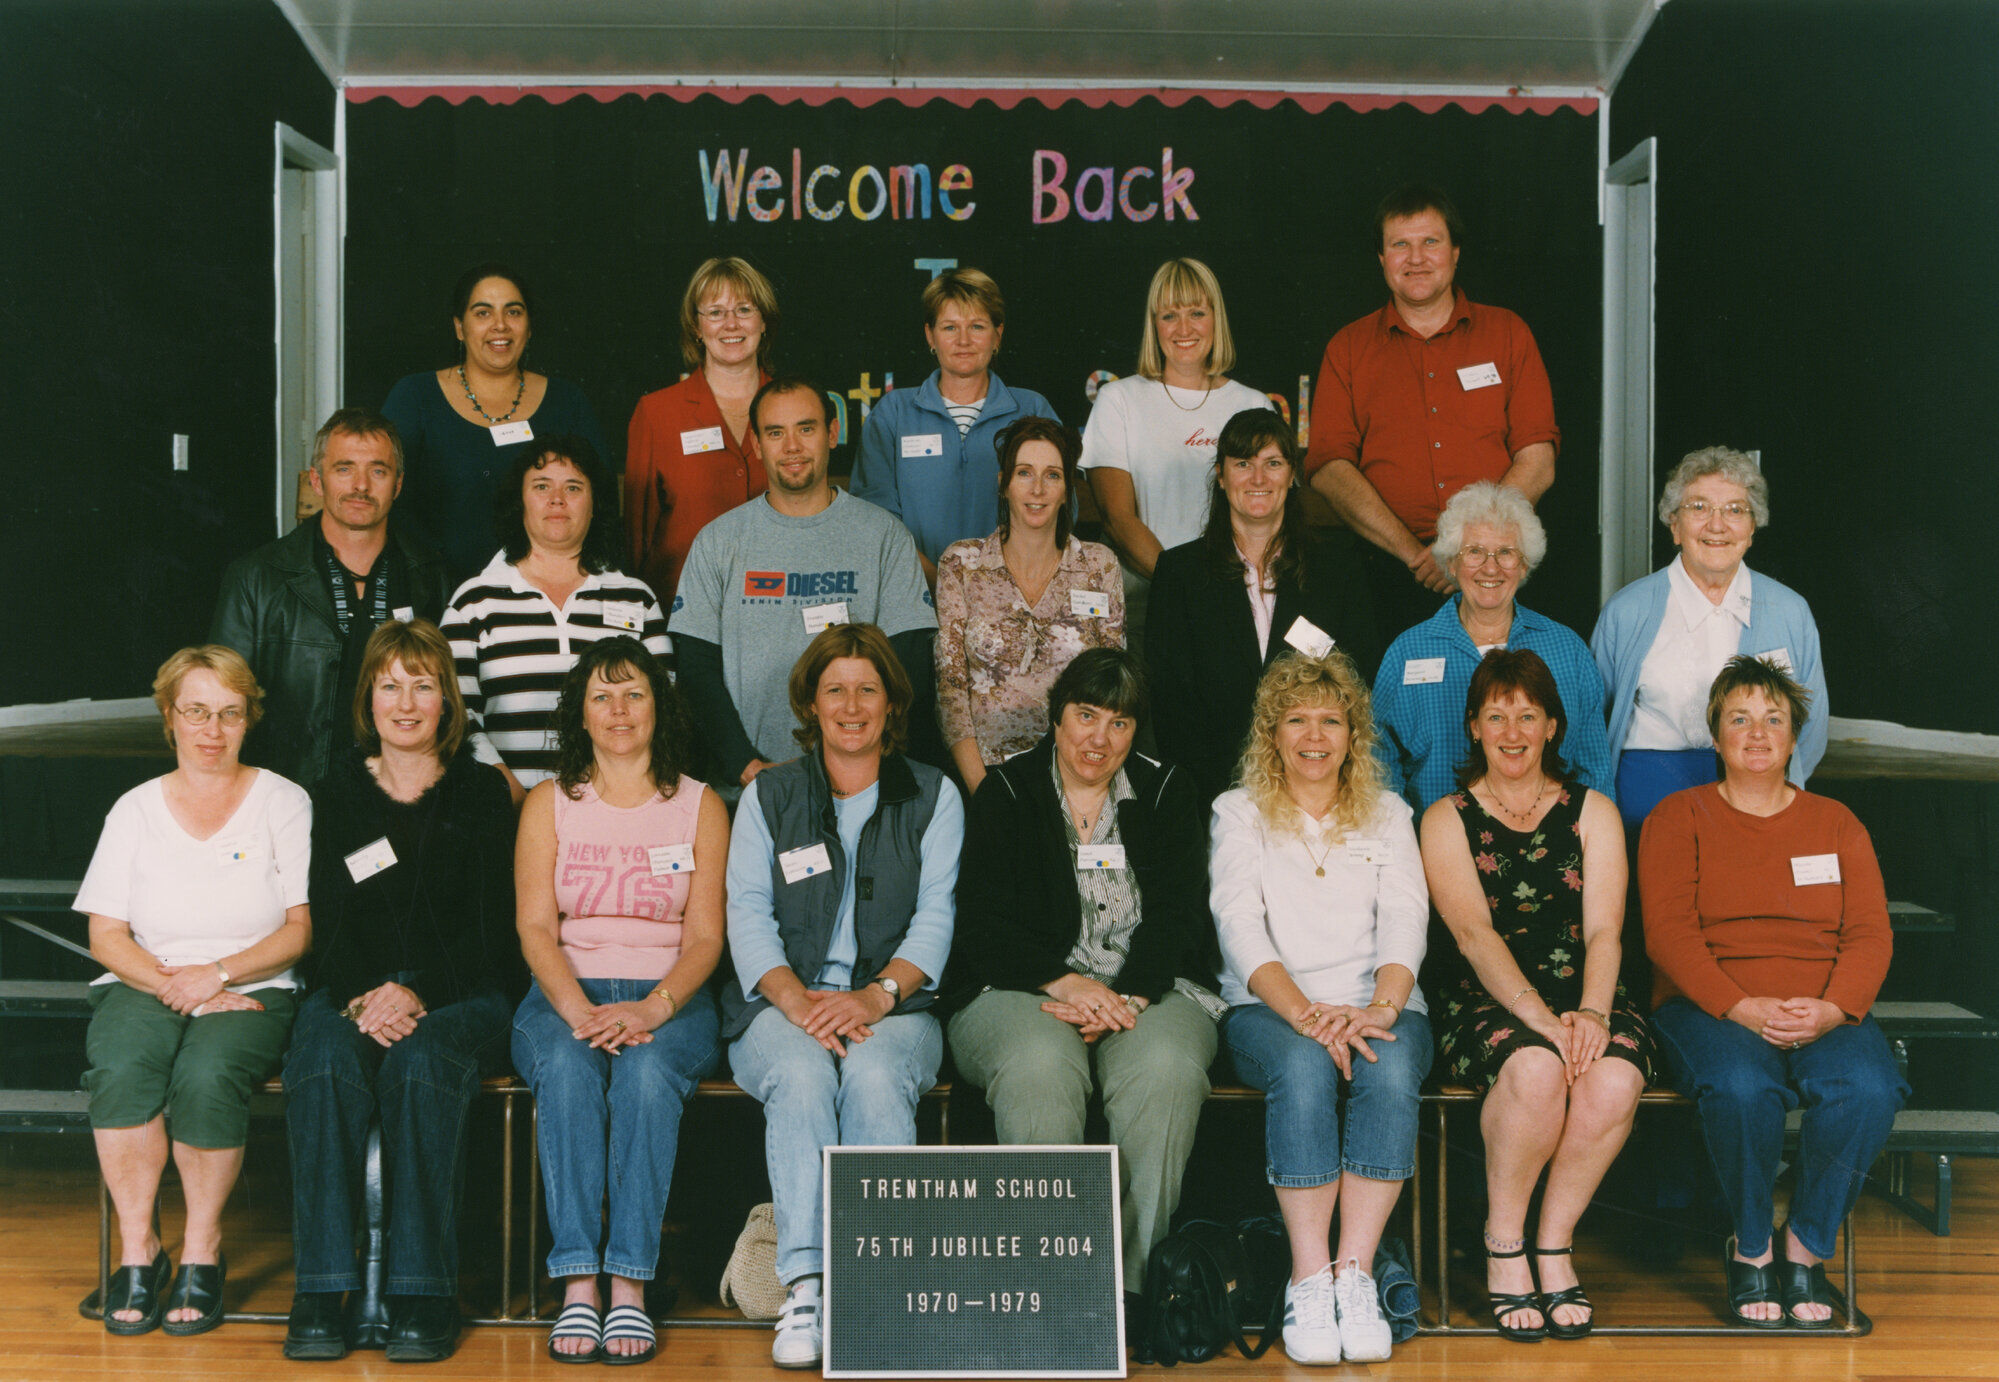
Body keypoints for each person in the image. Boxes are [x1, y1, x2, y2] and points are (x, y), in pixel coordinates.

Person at [947, 648, 1219, 1307]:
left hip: (1149, 990)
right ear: (1056, 716)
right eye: (1085, 715)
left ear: (1136, 730)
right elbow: (982, 924)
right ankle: (1051, 1290)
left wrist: (1126, 997)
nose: (1099, 738)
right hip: (1020, 991)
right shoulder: (1006, 792)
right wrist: (1065, 985)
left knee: (1166, 1070)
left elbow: (1179, 911)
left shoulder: (1165, 790)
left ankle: (1125, 1293)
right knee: (1040, 1067)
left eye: (1119, 723)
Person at [723, 624, 962, 1369]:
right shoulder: (770, 792)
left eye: (867, 689)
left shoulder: (934, 793)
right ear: (811, 703)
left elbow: (937, 914)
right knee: (798, 1073)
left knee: (870, 1072)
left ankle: (883, 1289)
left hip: (895, 1009)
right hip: (776, 1009)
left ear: (892, 704)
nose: (851, 705)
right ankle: (806, 1285)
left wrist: (876, 997)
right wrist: (798, 1003)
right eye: (835, 690)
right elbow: (744, 910)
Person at [282, 619, 519, 1363]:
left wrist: (417, 997)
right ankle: (323, 1288)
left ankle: (421, 1292)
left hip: (463, 995)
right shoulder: (337, 791)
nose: (406, 702)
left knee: (420, 1067)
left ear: (447, 699)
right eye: (390, 685)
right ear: (369, 698)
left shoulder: (483, 793)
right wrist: (363, 994)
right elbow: (328, 914)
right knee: (320, 1057)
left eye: (423, 685)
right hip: (356, 988)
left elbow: (496, 933)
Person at [1641, 656, 1902, 1330]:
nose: (1756, 733)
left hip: (1820, 1005)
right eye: (1739, 718)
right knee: (1738, 1087)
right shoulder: (1679, 815)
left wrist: (1833, 1008)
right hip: (1710, 1007)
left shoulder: (1835, 822)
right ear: (1716, 734)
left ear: (1793, 737)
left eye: (1772, 719)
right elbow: (1667, 932)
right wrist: (1738, 1006)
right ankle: (1750, 1244)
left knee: (1867, 1088)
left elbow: (1870, 932)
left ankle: (1805, 1247)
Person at [1419, 649, 1655, 1341]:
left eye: (1527, 715)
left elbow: (1606, 929)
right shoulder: (1445, 817)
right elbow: (1470, 933)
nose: (1511, 730)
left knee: (1612, 1080)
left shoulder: (1592, 812)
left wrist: (1590, 1012)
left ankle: (1552, 1245)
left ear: (1552, 724)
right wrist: (1539, 1019)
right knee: (1536, 1068)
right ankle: (1502, 1245)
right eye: (1496, 715)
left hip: (1587, 991)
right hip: (1487, 999)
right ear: (1472, 727)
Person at [75, 646, 311, 1337]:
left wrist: (218, 976)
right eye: (197, 712)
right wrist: (179, 986)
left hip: (253, 982)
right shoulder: (134, 810)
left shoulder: (283, 801)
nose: (213, 730)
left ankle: (203, 1251)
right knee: (123, 1068)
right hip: (144, 979)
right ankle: (139, 1251)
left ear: (249, 720)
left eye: (230, 714)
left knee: (207, 1076)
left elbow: (298, 930)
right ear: (169, 718)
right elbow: (107, 935)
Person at [1209, 652, 1430, 1365]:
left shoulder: (1389, 811)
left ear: (1352, 733)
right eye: (1295, 720)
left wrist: (1379, 1008)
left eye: (1330, 720)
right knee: (1303, 1071)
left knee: (1389, 1074)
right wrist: (1307, 1015)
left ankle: (1354, 1275)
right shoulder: (1237, 811)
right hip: (1271, 1009)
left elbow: (1405, 918)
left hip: (1380, 1004)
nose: (1313, 735)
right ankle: (1307, 1278)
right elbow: (1237, 924)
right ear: (1270, 734)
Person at [512, 637, 727, 1365]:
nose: (618, 710)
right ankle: (578, 1278)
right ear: (579, 712)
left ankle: (629, 1283)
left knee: (642, 1076)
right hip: (564, 991)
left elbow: (704, 937)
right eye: (601, 696)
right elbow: (535, 926)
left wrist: (654, 1009)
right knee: (570, 1072)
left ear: (659, 705)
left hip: (669, 994)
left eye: (634, 692)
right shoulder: (549, 802)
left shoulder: (699, 804)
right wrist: (576, 1011)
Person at [1304, 185, 1560, 636]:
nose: (1415, 258)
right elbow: (1328, 466)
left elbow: (1537, 460)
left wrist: (1471, 550)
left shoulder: (1508, 333)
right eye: (1400, 244)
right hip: (1383, 571)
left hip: (1494, 573)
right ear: (1382, 259)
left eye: (1431, 242)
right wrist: (1414, 553)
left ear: (1456, 252)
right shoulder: (1347, 348)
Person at [672, 378, 938, 791]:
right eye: (776, 433)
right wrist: (747, 767)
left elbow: (908, 668)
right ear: (757, 446)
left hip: (860, 784)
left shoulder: (884, 536)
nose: (792, 446)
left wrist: (859, 763)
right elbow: (695, 668)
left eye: (806, 428)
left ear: (832, 434)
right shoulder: (718, 541)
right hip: (749, 789)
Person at [1148, 409, 1382, 804]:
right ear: (1221, 477)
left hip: (1316, 784)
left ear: (1292, 476)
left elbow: (1358, 681)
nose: (1259, 479)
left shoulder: (1337, 569)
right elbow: (1171, 702)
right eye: (1243, 464)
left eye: (1273, 463)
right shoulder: (1179, 572)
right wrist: (1217, 796)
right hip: (1212, 790)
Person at [210, 408, 450, 788]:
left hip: (397, 797)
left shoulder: (429, 575)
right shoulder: (255, 577)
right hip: (290, 794)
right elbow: (220, 703)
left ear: (398, 484)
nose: (361, 486)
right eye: (344, 469)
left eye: (378, 471)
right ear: (316, 481)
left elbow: (449, 701)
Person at [1592, 446, 1828, 831]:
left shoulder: (1790, 610)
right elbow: (1594, 721)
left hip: (1756, 797)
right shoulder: (1626, 611)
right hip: (1646, 806)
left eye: (1735, 510)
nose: (1717, 525)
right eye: (1699, 507)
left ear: (1752, 528)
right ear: (1673, 524)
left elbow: (1811, 727)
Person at [441, 435, 669, 802]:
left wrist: (606, 800)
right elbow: (453, 711)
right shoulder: (474, 600)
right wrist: (508, 792)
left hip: (612, 811)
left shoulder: (636, 598)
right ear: (520, 501)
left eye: (574, 487)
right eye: (541, 486)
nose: (557, 499)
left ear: (595, 504)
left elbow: (663, 706)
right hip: (503, 808)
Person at [1370, 481, 1611, 811]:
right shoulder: (1408, 651)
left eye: (1506, 553)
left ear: (1525, 565)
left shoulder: (1567, 649)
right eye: (1474, 552)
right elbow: (1378, 763)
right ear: (1451, 564)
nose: (1491, 567)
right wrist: (1401, 843)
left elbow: (1593, 767)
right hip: (1430, 849)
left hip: (1548, 850)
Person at [1080, 258, 1273, 656]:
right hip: (1145, 593)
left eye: (1197, 313)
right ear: (1154, 324)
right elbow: (1117, 518)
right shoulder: (1120, 399)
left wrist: (1223, 592)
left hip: (1238, 595)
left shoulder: (1253, 404)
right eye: (1170, 315)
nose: (1184, 329)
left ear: (1216, 319)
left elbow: (1270, 513)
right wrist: (1183, 585)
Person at [933, 416, 1123, 794]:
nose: (1037, 489)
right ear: (1003, 485)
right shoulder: (961, 564)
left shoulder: (1098, 564)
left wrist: (1082, 790)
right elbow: (951, 690)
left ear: (1068, 489)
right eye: (1024, 473)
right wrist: (986, 794)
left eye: (1052, 475)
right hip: (986, 779)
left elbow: (1112, 687)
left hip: (1080, 781)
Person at [384, 262, 607, 581]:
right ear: (460, 327)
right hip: (435, 594)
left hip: (547, 593)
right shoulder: (414, 397)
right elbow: (391, 505)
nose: (500, 325)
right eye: (483, 313)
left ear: (529, 327)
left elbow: (600, 505)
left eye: (513, 312)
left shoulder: (567, 402)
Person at [852, 267, 1061, 580]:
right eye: (950, 327)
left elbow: (1058, 508)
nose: (964, 340)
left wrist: (999, 591)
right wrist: (939, 585)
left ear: (997, 335)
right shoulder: (893, 413)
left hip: (1016, 594)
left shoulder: (1032, 408)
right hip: (913, 593)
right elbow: (875, 519)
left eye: (977, 326)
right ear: (930, 336)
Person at [625, 256, 777, 606]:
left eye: (744, 309)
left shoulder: (794, 408)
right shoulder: (656, 413)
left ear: (763, 320)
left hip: (777, 611)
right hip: (683, 613)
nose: (731, 324)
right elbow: (638, 541)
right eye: (715, 312)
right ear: (696, 326)